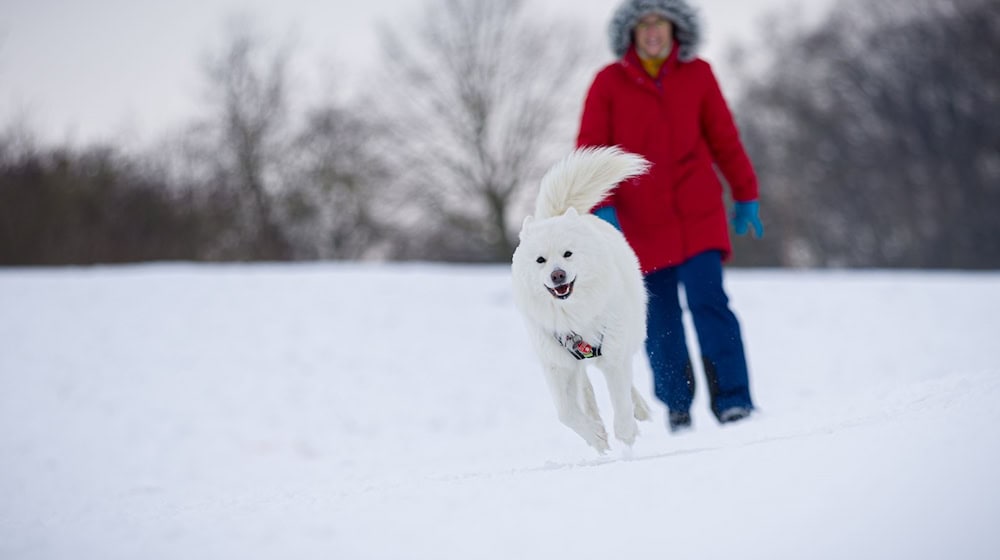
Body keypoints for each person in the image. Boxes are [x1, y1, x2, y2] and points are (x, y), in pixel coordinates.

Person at [576, 0, 763, 432]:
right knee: (658, 318)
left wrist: (746, 193)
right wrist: (601, 207)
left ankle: (734, 401)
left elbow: (724, 138)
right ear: (632, 33)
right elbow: (591, 149)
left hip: (698, 215)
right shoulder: (608, 83)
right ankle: (678, 406)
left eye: (660, 22)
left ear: (676, 28)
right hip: (639, 224)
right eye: (644, 24)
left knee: (709, 303)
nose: (653, 31)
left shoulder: (698, 74)